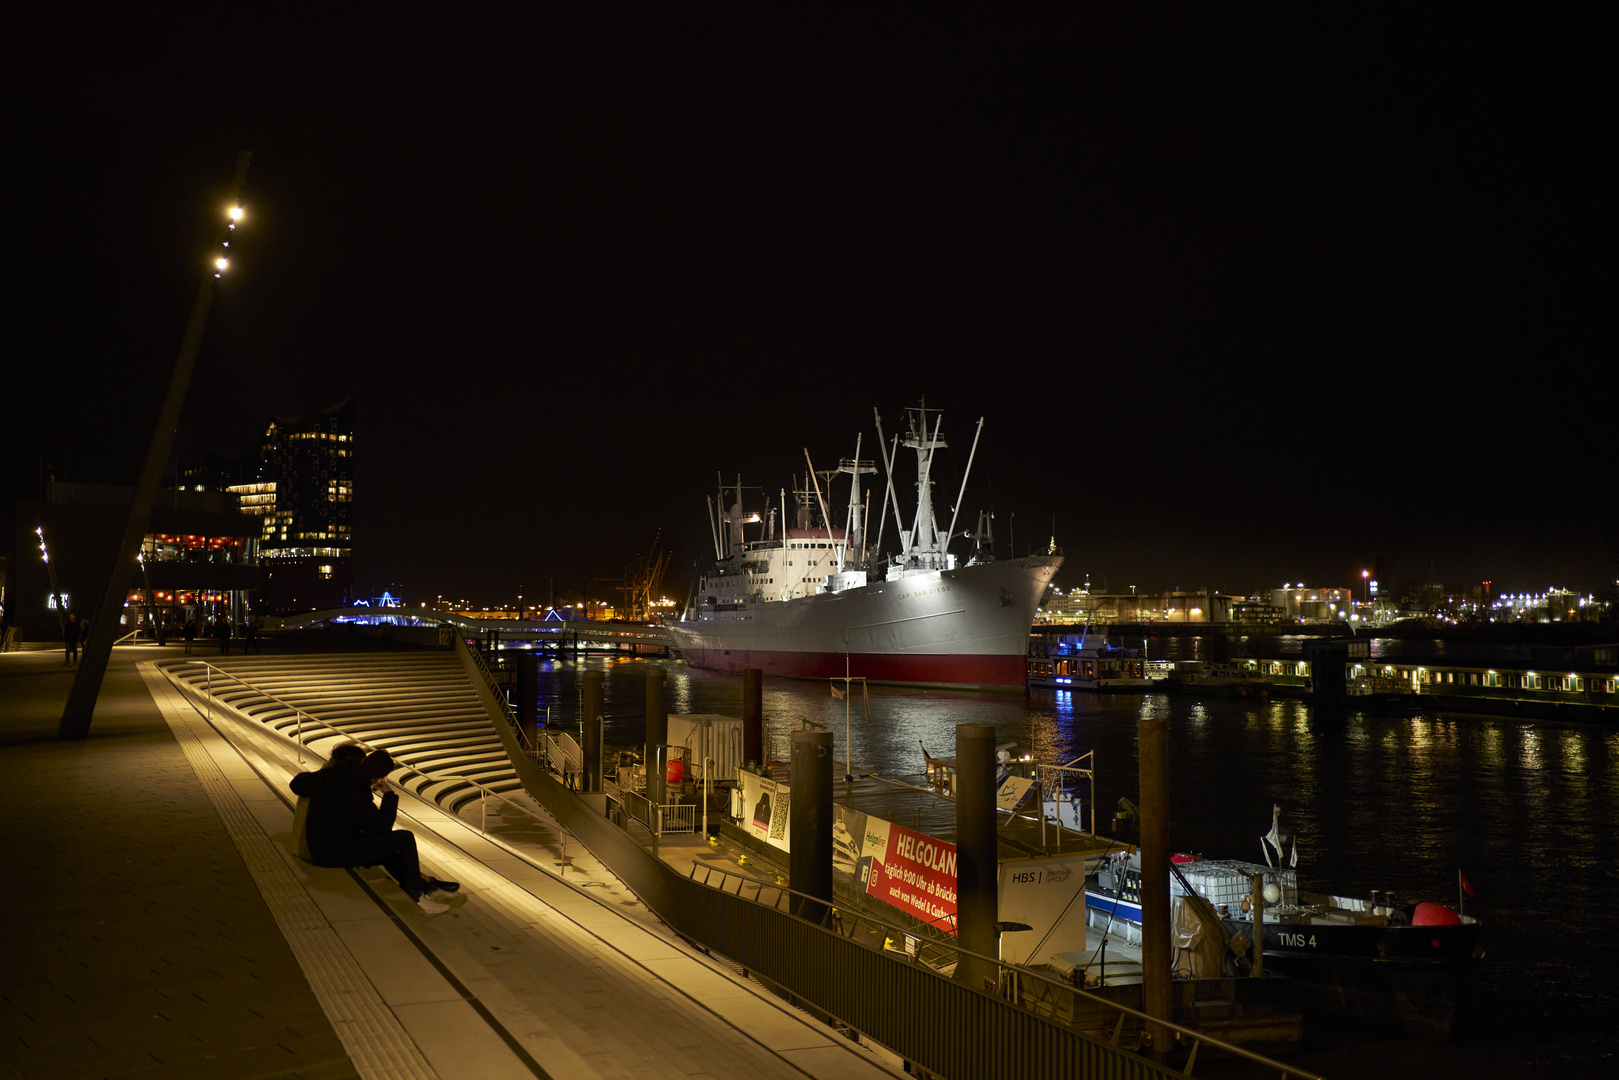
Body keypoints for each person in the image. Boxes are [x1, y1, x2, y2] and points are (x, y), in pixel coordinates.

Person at [289, 748, 461, 914]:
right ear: (378, 777)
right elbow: (382, 827)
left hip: (320, 845)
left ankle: (424, 888)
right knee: (404, 838)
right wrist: (389, 795)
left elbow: (297, 784)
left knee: (388, 849)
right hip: (332, 852)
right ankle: (417, 890)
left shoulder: (331, 774)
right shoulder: (358, 791)